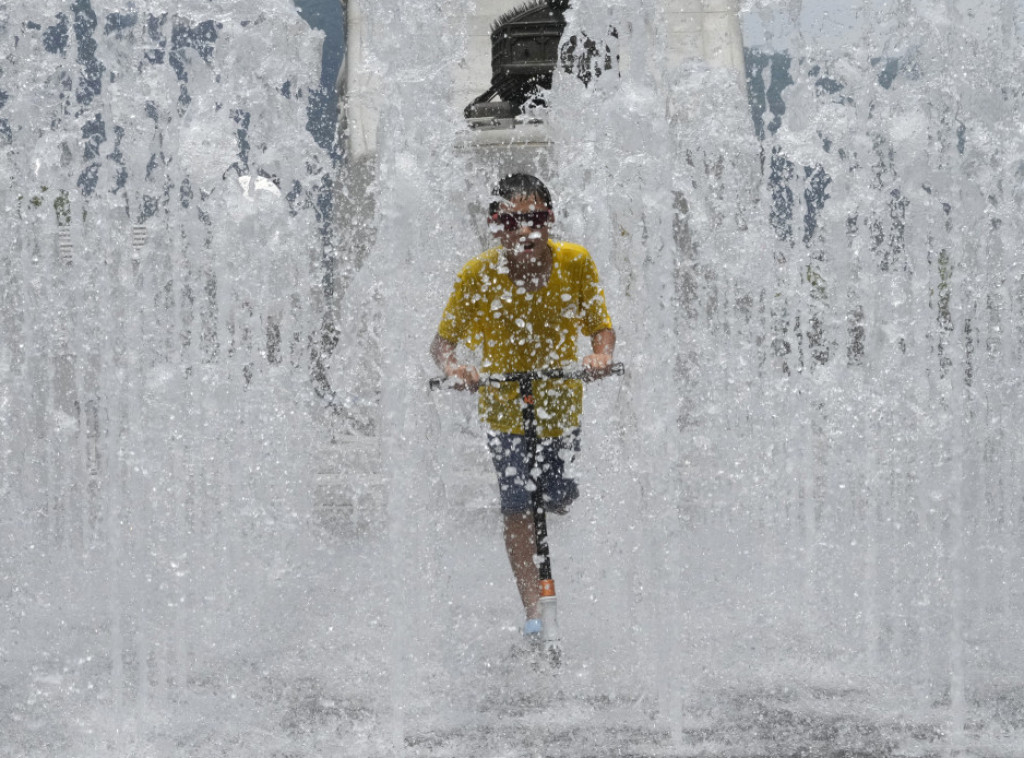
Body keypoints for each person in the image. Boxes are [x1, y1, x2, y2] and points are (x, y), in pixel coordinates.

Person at [430, 173, 616, 639]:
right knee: (516, 508)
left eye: (534, 219)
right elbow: (443, 345)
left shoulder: (575, 263)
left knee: (558, 496)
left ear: (549, 220)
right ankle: (534, 612)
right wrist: (457, 369)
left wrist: (600, 355)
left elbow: (600, 324)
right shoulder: (477, 274)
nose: (524, 231)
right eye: (511, 222)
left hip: (561, 406)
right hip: (504, 410)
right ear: (496, 227)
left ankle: (553, 501)